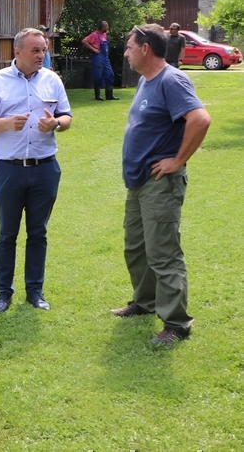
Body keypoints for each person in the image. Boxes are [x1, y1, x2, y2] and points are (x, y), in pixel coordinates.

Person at [112, 24, 210, 345]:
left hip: (160, 184)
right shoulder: (146, 80)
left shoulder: (172, 79)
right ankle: (146, 301)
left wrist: (177, 161)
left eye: (129, 46)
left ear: (145, 48)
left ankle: (176, 324)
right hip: (139, 182)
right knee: (137, 247)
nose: (125, 52)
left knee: (163, 253)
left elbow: (200, 119)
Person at [0, 27, 73, 313]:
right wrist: (6, 123)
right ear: (17, 52)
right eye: (35, 50)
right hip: (9, 169)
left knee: (38, 233)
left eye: (43, 49)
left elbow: (67, 117)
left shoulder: (52, 80)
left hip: (45, 169)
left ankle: (35, 291)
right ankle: (3, 294)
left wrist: (55, 124)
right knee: (7, 234)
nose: (41, 55)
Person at [82, 21, 119, 100]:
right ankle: (97, 96)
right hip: (98, 58)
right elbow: (84, 41)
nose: (108, 28)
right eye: (106, 27)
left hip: (105, 58)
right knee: (97, 76)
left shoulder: (105, 35)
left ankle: (109, 95)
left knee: (110, 74)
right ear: (102, 27)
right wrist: (94, 49)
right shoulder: (94, 35)